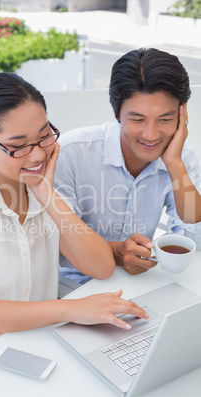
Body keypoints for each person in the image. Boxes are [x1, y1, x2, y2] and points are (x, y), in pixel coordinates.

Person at [0, 73, 150, 376]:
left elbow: (99, 266)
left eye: (44, 136)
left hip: (38, 357)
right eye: (18, 146)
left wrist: (46, 195)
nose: (37, 155)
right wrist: (71, 309)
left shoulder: (40, 187)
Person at [54, 47, 201, 284]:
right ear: (116, 113)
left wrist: (175, 165)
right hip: (73, 288)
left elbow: (196, 238)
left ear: (182, 115)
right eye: (137, 119)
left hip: (140, 284)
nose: (151, 135)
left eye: (165, 119)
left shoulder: (182, 157)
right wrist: (116, 252)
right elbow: (52, 246)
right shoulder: (70, 153)